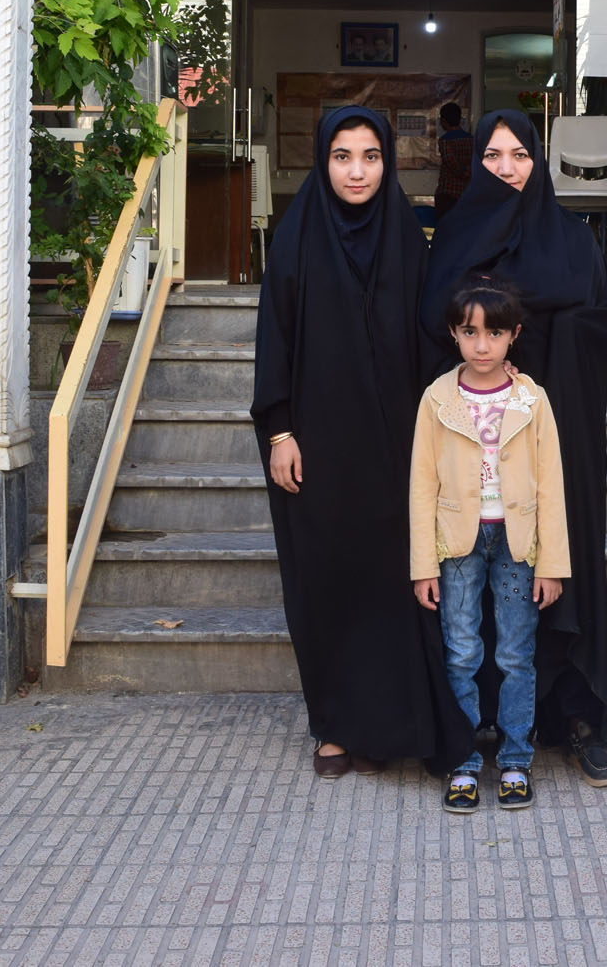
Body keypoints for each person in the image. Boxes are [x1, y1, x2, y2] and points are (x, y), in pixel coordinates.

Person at [251, 106, 473, 779]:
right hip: (317, 449)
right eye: (342, 156)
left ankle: (394, 725)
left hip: (395, 448)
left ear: (388, 161)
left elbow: (431, 338)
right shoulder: (295, 240)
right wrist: (279, 431)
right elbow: (274, 341)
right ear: (324, 161)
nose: (357, 171)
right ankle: (333, 726)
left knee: (392, 584)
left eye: (371, 156)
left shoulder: (405, 237)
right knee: (326, 583)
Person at [422, 110, 607, 786]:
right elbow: (433, 322)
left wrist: (549, 343)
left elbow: (604, 316)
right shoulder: (454, 238)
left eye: (518, 154)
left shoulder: (571, 237)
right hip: (473, 448)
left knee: (556, 568)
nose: (506, 168)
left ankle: (576, 719)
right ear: (474, 162)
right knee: (467, 597)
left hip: (556, 426)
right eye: (491, 155)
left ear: (538, 160)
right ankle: (476, 724)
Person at [410, 275, 569, 814]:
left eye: (494, 333)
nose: (482, 345)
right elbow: (421, 484)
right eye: (470, 332)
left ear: (514, 335)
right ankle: (463, 761)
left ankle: (516, 759)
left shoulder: (531, 399)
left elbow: (551, 485)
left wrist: (552, 564)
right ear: (454, 334)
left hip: (518, 541)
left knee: (516, 653)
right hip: (456, 541)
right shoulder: (437, 398)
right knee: (461, 651)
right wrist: (421, 564)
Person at [432, 101, 472, 221]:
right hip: (466, 192)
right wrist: (467, 172)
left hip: (448, 193)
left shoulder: (444, 141)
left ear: (444, 121)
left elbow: (452, 164)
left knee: (445, 227)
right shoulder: (471, 139)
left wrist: (462, 172)